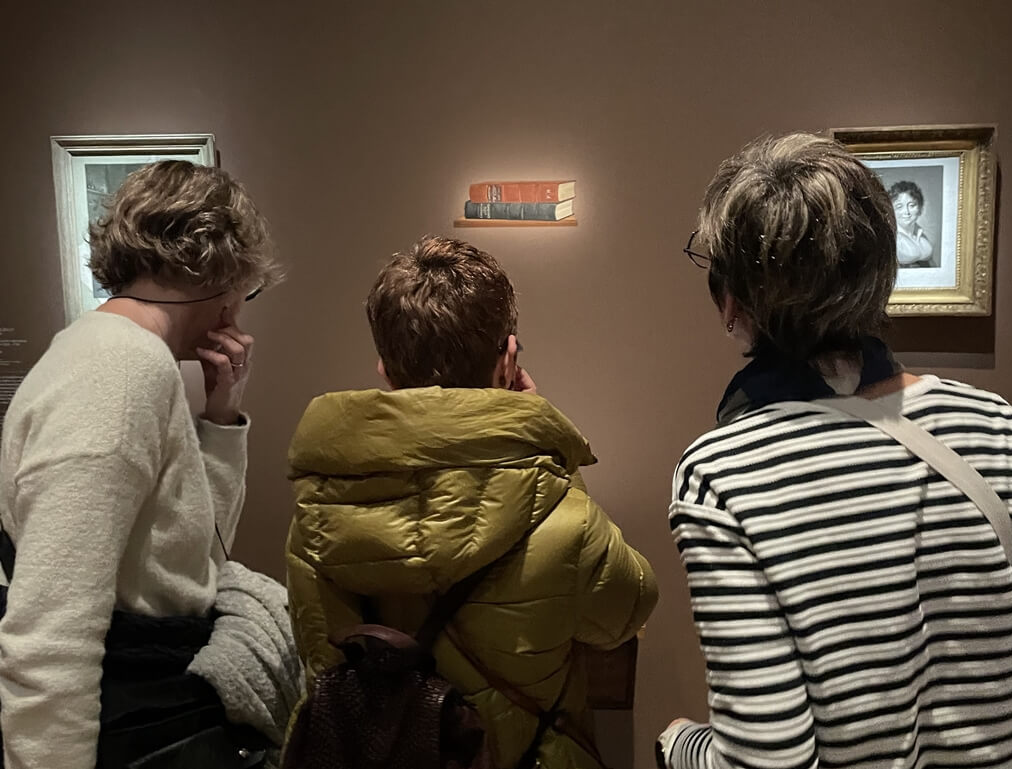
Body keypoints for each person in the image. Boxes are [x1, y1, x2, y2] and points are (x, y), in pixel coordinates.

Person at [660, 134, 1012, 769]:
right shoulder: (998, 427)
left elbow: (765, 760)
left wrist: (677, 742)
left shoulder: (721, 476)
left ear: (732, 301)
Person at [286, 235, 658, 769]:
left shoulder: (316, 520)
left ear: (385, 369)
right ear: (508, 360)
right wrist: (552, 464)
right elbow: (628, 610)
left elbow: (323, 661)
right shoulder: (561, 516)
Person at [0, 160, 283, 769]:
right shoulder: (118, 370)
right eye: (247, 291)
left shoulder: (128, 358)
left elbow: (198, 561)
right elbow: (49, 633)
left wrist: (222, 414)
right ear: (225, 276)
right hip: (136, 723)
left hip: (152, 710)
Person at [889, 179, 935, 268]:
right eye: (899, 206)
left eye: (912, 205)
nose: (906, 212)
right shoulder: (890, 238)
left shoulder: (921, 236)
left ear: (920, 209)